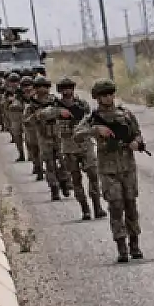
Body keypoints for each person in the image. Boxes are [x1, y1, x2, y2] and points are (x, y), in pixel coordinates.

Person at [76, 78, 148, 263]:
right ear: (97, 98)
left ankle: (135, 244)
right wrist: (96, 130)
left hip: (127, 168)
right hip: (108, 170)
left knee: (131, 206)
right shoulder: (93, 118)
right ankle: (121, 247)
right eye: (104, 95)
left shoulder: (126, 114)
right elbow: (77, 134)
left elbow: (138, 134)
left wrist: (136, 143)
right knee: (116, 207)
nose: (108, 98)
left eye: (110, 94)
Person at [47, 77, 104, 221]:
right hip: (68, 147)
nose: (67, 91)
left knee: (93, 175)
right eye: (64, 89)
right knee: (76, 179)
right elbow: (43, 114)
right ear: (60, 91)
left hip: (85, 145)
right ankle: (85, 209)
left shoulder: (82, 104)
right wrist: (59, 112)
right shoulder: (55, 106)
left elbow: (92, 119)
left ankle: (97, 206)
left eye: (70, 88)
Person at [29, 76, 67, 200]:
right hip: (44, 138)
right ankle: (54, 188)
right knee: (49, 164)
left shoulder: (55, 101)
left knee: (63, 161)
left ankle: (64, 181)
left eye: (45, 87)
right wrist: (38, 116)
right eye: (39, 87)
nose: (42, 89)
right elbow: (27, 120)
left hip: (58, 136)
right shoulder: (32, 104)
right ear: (35, 89)